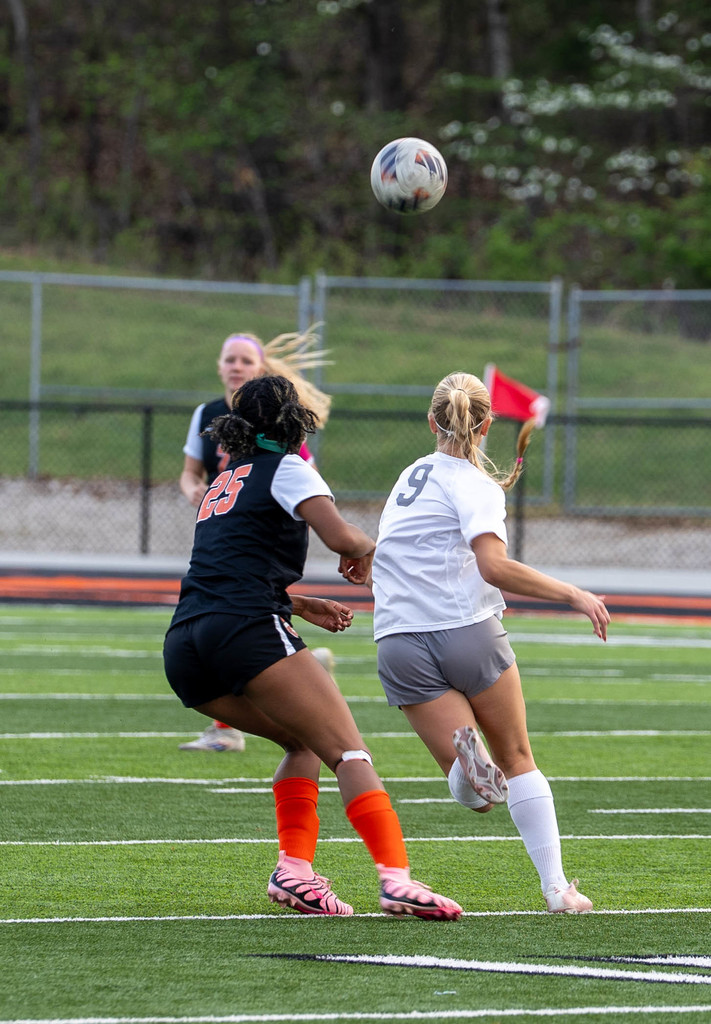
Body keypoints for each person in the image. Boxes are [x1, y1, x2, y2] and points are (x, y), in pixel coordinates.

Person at [163, 374, 462, 920]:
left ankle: (293, 872)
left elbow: (227, 570)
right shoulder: (290, 468)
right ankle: (396, 878)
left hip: (185, 644)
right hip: (245, 631)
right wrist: (370, 551)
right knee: (348, 750)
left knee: (301, 744)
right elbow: (342, 539)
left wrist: (300, 604)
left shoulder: (226, 477)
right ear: (291, 418)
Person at [341, 370, 610, 914]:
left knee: (475, 796)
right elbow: (492, 567)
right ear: (486, 423)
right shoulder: (475, 483)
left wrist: (367, 571)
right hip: (466, 631)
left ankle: (466, 773)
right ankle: (558, 889)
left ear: (430, 421)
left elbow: (395, 558)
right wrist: (573, 593)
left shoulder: (408, 476)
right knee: (517, 758)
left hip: (399, 641)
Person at [178, 327, 335, 752]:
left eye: (245, 361)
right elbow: (191, 471)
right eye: (230, 359)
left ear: (260, 367)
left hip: (260, 529)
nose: (236, 367)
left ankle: (233, 723)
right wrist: (193, 487)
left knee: (237, 615)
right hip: (226, 528)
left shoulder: (277, 420)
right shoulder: (205, 412)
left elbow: (306, 474)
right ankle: (297, 671)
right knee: (228, 615)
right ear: (219, 365)